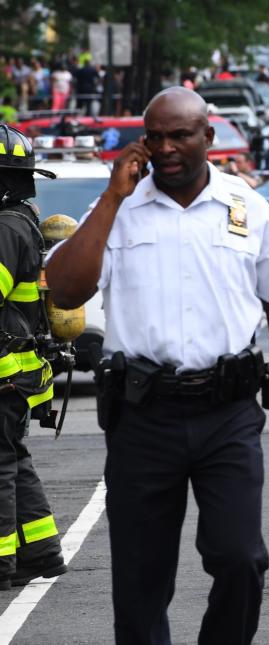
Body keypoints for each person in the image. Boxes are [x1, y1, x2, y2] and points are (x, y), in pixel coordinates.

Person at [45, 87, 269, 645]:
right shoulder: (118, 211)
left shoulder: (247, 206)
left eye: (180, 135)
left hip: (228, 413)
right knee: (141, 582)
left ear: (208, 138)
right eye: (155, 136)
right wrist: (110, 198)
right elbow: (67, 292)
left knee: (241, 558)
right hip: (143, 416)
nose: (166, 147)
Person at [0, 125, 69, 589]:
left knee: (0, 465)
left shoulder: (5, 228)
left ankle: (1, 562)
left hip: (6, 372)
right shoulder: (20, 218)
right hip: (19, 371)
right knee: (12, 458)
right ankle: (42, 552)